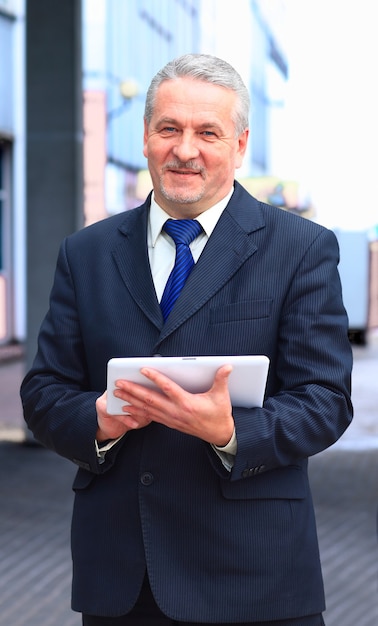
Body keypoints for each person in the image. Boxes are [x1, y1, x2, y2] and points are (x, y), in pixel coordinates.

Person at [20, 53, 353, 626]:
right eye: (169, 129)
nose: (185, 150)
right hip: (123, 579)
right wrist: (98, 421)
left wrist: (228, 431)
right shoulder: (87, 253)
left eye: (208, 132)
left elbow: (327, 399)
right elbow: (44, 389)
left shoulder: (302, 249)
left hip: (254, 578)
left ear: (240, 144)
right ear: (146, 137)